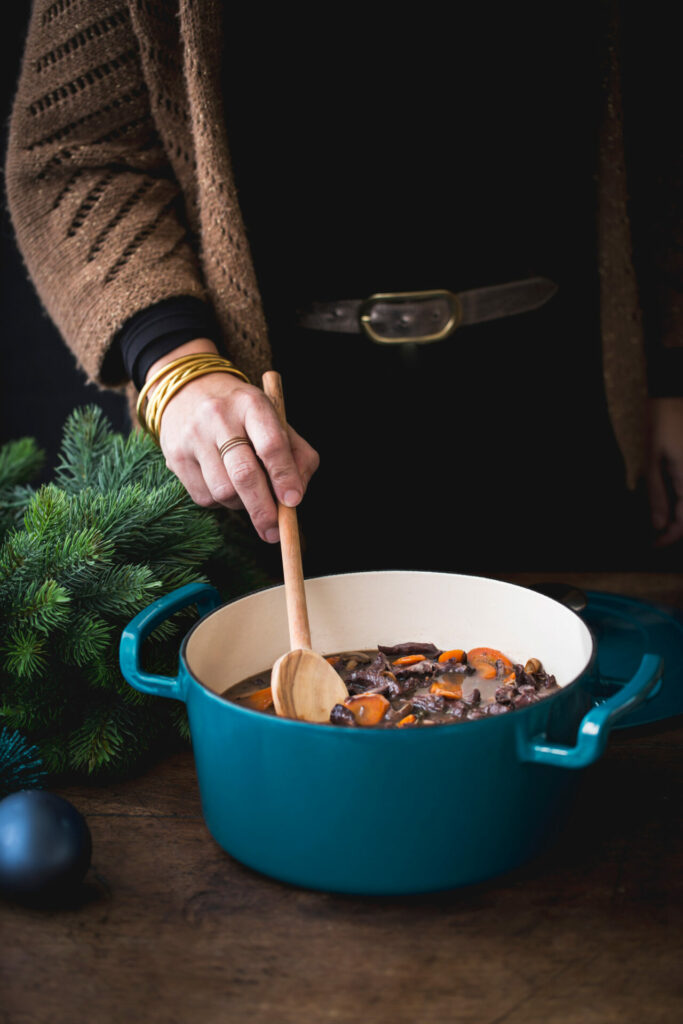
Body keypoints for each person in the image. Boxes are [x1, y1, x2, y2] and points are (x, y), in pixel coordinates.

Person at [6, 1, 682, 575]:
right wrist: (180, 366)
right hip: (285, 429)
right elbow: (77, 155)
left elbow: (660, 107)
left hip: (566, 403)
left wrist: (669, 367)